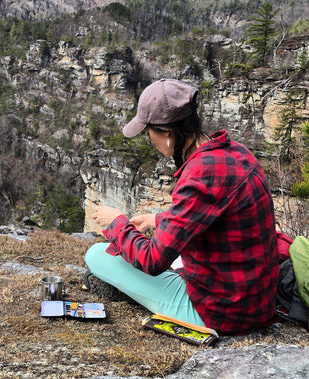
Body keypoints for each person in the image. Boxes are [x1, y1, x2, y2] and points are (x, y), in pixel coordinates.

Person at [84, 78, 279, 336]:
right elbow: (216, 215)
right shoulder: (235, 152)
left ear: (167, 133)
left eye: (149, 132)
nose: (149, 139)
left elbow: (152, 261)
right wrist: (159, 219)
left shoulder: (199, 176)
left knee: (97, 255)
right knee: (170, 254)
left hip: (223, 314)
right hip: (258, 302)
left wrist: (117, 222)